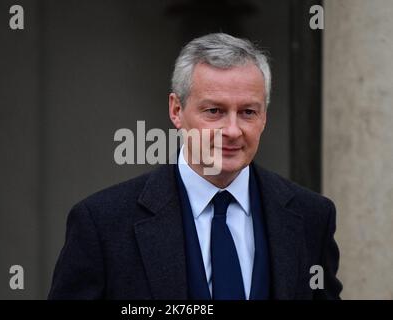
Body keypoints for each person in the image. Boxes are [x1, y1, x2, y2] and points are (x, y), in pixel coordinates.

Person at [48, 33, 342, 300]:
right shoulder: (102, 223)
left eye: (248, 112)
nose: (232, 130)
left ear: (264, 116)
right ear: (176, 110)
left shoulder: (312, 217)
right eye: (214, 111)